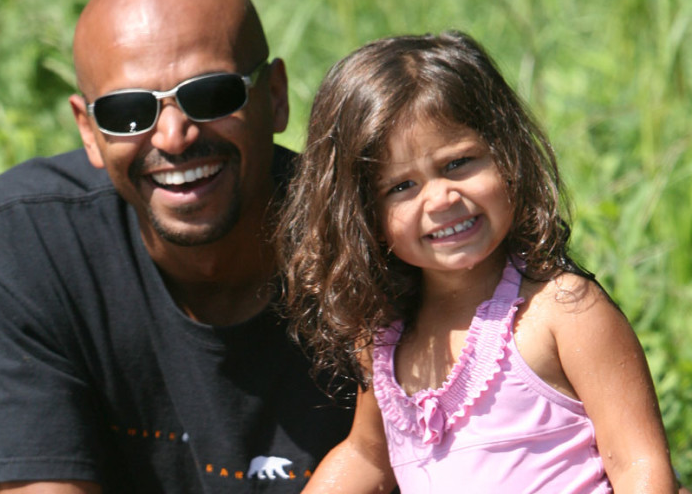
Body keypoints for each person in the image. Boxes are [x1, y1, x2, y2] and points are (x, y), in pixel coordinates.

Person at [0, 0, 353, 492]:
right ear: (88, 132)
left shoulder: (368, 239)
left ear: (274, 97)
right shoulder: (29, 243)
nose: (173, 135)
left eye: (209, 94)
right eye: (127, 112)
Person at [277, 31, 680, 493]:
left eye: (458, 163)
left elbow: (639, 466)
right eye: (401, 187)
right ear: (362, 215)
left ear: (507, 154)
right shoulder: (386, 338)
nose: (442, 197)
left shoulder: (561, 314)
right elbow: (367, 456)